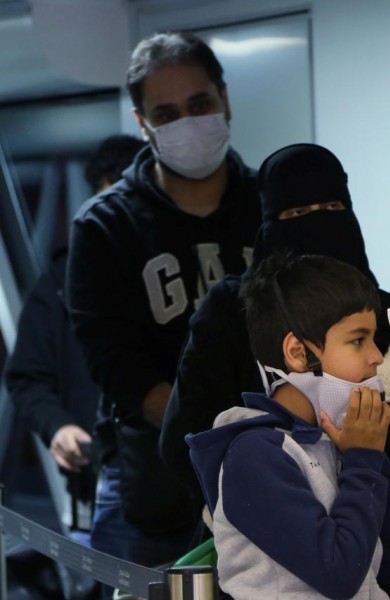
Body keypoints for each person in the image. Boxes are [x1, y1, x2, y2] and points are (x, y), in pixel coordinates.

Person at [160, 143, 390, 598]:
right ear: (294, 352)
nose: (375, 358)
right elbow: (184, 442)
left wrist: (368, 443)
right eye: (298, 212)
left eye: (333, 207)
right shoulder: (250, 432)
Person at [66, 31, 261, 584]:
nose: (187, 123)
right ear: (142, 123)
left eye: (199, 104)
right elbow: (116, 364)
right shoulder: (104, 226)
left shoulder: (271, 205)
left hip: (281, 474)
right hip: (158, 489)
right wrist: (210, 434)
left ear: (224, 97)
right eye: (167, 114)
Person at [186, 252, 390, 599]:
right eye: (358, 340)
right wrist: (363, 461)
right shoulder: (255, 455)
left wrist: (374, 459)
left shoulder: (338, 445)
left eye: (373, 339)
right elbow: (339, 575)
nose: (377, 356)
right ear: (297, 353)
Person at [4, 133, 144, 536]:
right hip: (94, 485)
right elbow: (27, 376)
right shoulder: (62, 281)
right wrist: (59, 427)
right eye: (108, 203)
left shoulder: (176, 274)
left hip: (179, 482)